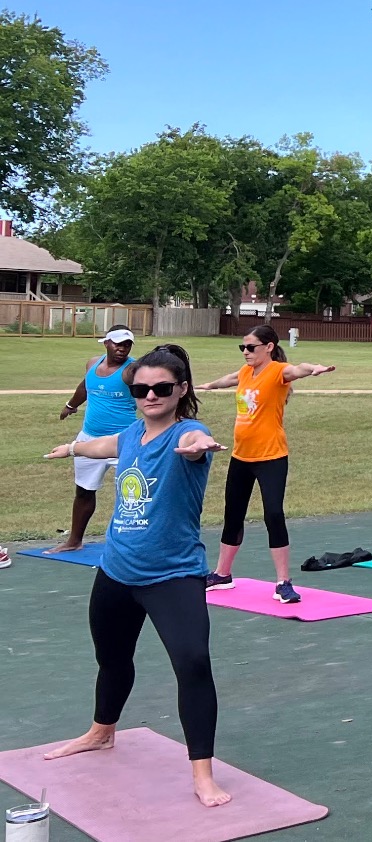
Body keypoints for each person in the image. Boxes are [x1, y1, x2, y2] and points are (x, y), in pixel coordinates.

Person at [41, 344, 231, 806]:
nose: (150, 395)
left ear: (181, 389)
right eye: (141, 388)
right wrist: (72, 446)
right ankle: (101, 731)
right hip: (116, 573)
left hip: (172, 576)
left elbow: (191, 447)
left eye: (161, 388)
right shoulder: (131, 434)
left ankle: (202, 774)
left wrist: (198, 446)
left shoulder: (188, 432)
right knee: (112, 659)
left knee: (192, 664)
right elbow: (106, 445)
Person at [193, 324, 337, 605]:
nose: (245, 352)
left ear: (269, 347)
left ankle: (284, 582)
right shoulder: (247, 371)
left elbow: (298, 369)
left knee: (273, 514)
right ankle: (222, 574)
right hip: (241, 457)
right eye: (242, 347)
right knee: (232, 514)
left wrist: (315, 368)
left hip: (271, 458)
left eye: (251, 347)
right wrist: (209, 385)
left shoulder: (278, 371)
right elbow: (231, 378)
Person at [53, 325, 140, 552]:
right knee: (83, 491)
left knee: (134, 495)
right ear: (106, 343)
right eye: (118, 343)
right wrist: (70, 406)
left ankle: (133, 545)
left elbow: (150, 391)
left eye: (127, 344)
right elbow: (85, 386)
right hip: (89, 439)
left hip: (123, 442)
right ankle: (74, 541)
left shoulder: (132, 370)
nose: (122, 348)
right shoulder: (93, 363)